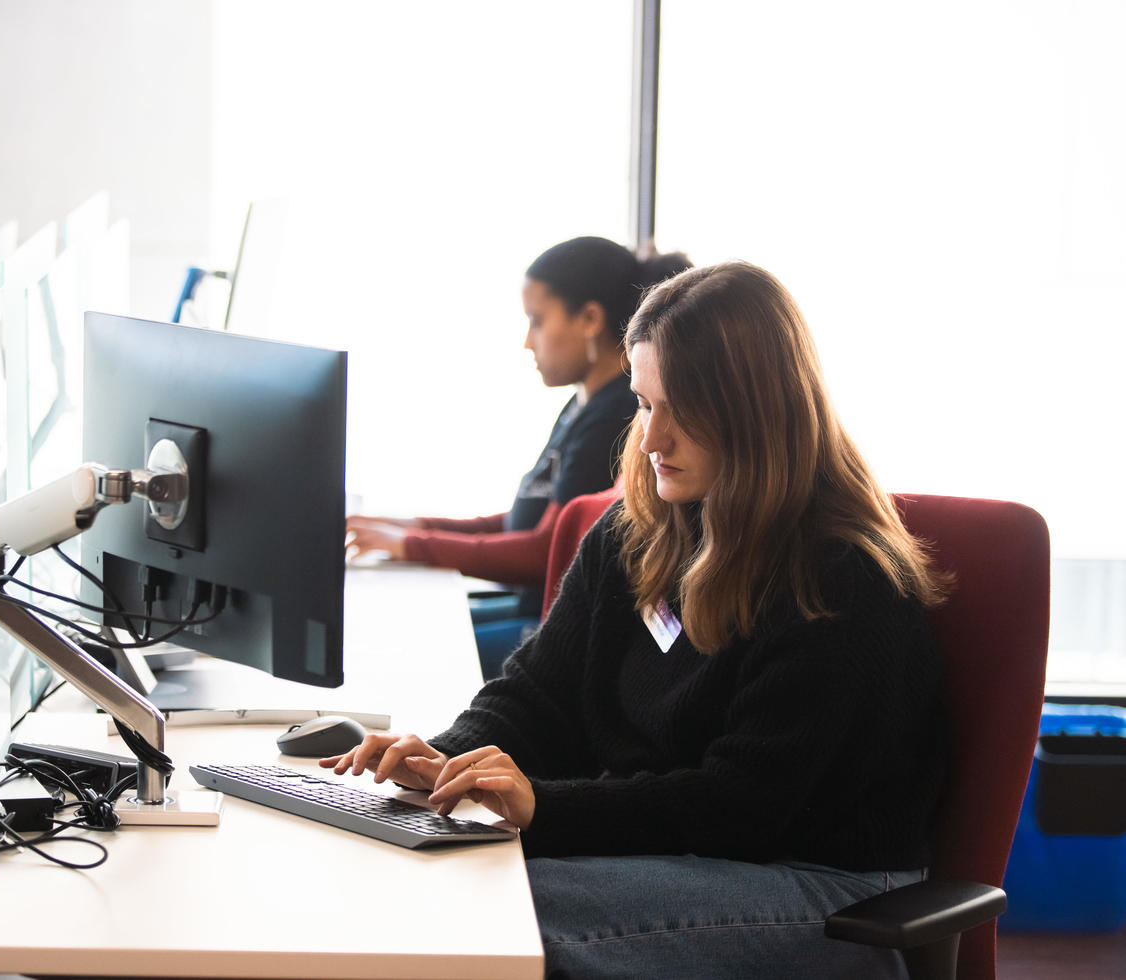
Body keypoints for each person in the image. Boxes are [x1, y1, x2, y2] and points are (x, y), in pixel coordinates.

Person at [324, 261, 951, 978]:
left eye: (681, 411)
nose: (652, 440)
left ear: (755, 412)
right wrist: (443, 765)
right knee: (453, 878)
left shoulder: (838, 579)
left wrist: (542, 808)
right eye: (645, 405)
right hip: (688, 852)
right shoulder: (640, 531)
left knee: (491, 914)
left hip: (825, 887)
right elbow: (537, 695)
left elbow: (742, 805)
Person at [346, 237, 691, 677]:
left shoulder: (613, 420)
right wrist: (414, 527)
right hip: (528, 605)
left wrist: (413, 545)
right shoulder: (581, 406)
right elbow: (522, 520)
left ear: (589, 319)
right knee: (400, 623)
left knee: (405, 643)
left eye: (537, 321)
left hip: (547, 620)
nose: (528, 342)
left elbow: (544, 551)